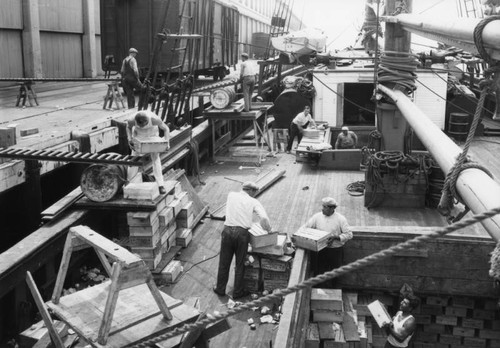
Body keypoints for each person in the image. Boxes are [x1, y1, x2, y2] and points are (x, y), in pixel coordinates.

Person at [214, 181, 272, 299]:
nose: (255, 194)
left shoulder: (231, 195)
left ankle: (220, 289)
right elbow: (264, 218)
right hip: (242, 234)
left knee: (224, 263)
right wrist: (269, 230)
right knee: (240, 264)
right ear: (251, 191)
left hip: (227, 231)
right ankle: (237, 292)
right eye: (255, 192)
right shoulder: (253, 201)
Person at [302, 197, 353, 285]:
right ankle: (320, 288)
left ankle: (334, 288)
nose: (322, 209)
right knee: (320, 270)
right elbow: (306, 227)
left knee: (335, 271)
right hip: (321, 250)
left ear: (331, 208)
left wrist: (335, 237)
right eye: (323, 206)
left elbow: (349, 234)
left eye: (324, 207)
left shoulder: (341, 219)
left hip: (336, 251)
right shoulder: (317, 217)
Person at [126, 110, 170, 194]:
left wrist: (167, 143)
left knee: (156, 159)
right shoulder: (131, 120)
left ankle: (160, 184)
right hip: (138, 135)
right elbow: (128, 127)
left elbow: (166, 129)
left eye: (144, 124)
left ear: (147, 121)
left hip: (152, 135)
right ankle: (129, 182)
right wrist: (129, 139)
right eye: (140, 124)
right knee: (133, 159)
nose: (142, 126)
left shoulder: (155, 119)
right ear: (136, 121)